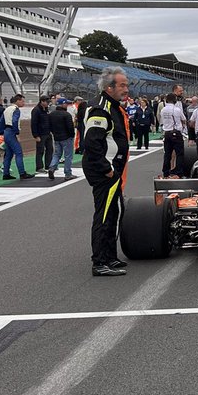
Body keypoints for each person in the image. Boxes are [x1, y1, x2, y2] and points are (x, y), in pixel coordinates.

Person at [82, 67, 131, 276]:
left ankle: (110, 256)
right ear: (109, 87)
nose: (126, 89)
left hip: (114, 170)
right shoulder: (100, 108)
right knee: (104, 215)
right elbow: (92, 143)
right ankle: (100, 262)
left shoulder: (113, 106)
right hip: (104, 172)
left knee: (114, 212)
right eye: (122, 85)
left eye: (127, 85)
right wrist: (107, 169)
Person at [1, 94, 34, 181]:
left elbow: (1, 121)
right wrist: (16, 132)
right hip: (11, 132)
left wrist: (1, 132)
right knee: (18, 153)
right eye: (22, 101)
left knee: (8, 154)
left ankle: (6, 173)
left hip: (6, 131)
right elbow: (15, 121)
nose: (24, 103)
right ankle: (22, 173)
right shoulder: (16, 110)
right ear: (18, 101)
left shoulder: (7, 109)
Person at [47, 97, 77, 180]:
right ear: (63, 104)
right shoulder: (66, 115)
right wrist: (72, 135)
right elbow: (70, 127)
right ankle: (68, 173)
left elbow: (50, 126)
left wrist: (54, 133)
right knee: (68, 156)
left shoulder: (52, 114)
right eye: (66, 103)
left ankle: (52, 168)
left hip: (57, 137)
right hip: (67, 137)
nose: (67, 105)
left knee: (57, 154)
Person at [160, 93, 187, 177]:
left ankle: (165, 171)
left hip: (167, 133)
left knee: (167, 153)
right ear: (175, 101)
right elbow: (184, 119)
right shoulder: (177, 109)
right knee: (179, 154)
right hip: (176, 132)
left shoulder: (163, 110)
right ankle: (178, 171)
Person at [31, 96, 53, 173]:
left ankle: (48, 165)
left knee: (50, 149)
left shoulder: (46, 110)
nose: (48, 104)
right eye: (47, 102)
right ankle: (39, 167)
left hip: (47, 133)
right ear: (42, 101)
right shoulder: (36, 110)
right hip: (40, 134)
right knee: (40, 151)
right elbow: (33, 123)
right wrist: (36, 135)